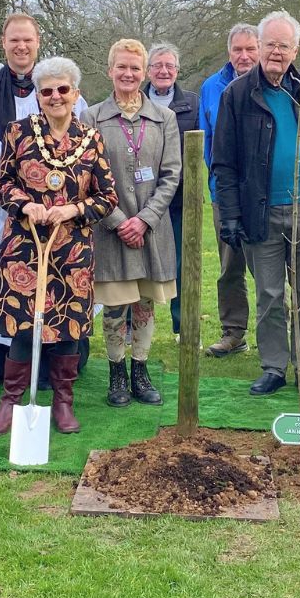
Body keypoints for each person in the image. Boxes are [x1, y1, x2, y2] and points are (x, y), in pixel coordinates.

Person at [212, 11, 300, 397]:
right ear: (259, 46)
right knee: (269, 294)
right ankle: (273, 366)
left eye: (283, 46)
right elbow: (224, 161)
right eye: (270, 44)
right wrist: (231, 216)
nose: (276, 52)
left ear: (296, 50)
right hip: (261, 211)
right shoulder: (238, 94)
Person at [0, 58, 117, 437]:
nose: (55, 96)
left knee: (69, 325)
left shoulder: (91, 139)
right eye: (47, 91)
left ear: (75, 93)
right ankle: (10, 401)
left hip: (72, 248)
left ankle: (63, 401)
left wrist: (74, 209)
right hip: (24, 245)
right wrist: (26, 205)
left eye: (62, 89)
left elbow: (108, 197)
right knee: (23, 323)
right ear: (38, 96)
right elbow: (1, 183)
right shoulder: (18, 132)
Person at [0, 12, 88, 390]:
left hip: (47, 208)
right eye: (14, 39)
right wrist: (13, 185)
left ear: (38, 42)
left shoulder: (56, 85)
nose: (21, 46)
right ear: (3, 42)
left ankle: (41, 364)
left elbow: (75, 139)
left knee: (43, 281)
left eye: (27, 40)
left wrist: (40, 195)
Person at [87, 39, 182, 407]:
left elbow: (171, 175)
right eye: (122, 67)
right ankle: (116, 373)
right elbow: (87, 178)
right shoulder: (92, 118)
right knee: (115, 306)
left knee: (144, 303)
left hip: (151, 231)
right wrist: (118, 221)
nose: (128, 74)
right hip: (110, 230)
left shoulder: (164, 118)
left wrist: (144, 220)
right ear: (110, 70)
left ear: (144, 73)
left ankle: (140, 369)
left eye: (135, 68)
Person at [198, 23, 260, 357]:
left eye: (250, 49)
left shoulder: (273, 84)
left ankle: (276, 336)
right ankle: (234, 333)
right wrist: (220, 183)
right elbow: (207, 142)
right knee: (229, 267)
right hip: (224, 193)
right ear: (229, 52)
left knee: (268, 268)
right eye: (238, 49)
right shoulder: (211, 87)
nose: (244, 56)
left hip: (264, 195)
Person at [144, 42, 198, 338]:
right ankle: (133, 327)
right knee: (138, 263)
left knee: (181, 264)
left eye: (169, 66)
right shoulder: (134, 100)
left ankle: (183, 326)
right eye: (157, 65)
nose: (164, 71)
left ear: (177, 70)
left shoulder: (192, 103)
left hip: (179, 199)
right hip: (140, 198)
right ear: (148, 70)